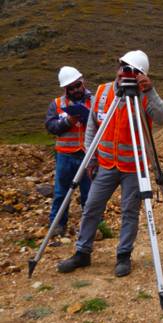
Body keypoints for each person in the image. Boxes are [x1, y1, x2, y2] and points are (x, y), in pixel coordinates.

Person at [57, 50, 163, 277]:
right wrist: (91, 157)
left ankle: (123, 256)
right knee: (91, 208)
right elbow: (92, 127)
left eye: (132, 70)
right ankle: (82, 252)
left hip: (134, 168)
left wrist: (150, 91)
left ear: (141, 75)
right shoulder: (103, 92)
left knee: (130, 212)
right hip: (106, 164)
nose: (124, 73)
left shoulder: (144, 95)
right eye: (123, 67)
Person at [45, 66, 94, 237]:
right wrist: (68, 122)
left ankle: (92, 227)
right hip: (65, 156)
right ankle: (57, 225)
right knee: (61, 192)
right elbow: (50, 127)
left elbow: (103, 123)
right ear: (65, 89)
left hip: (88, 155)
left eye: (77, 85)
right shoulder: (57, 104)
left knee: (89, 193)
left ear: (83, 82)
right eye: (70, 88)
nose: (75, 90)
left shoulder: (95, 101)